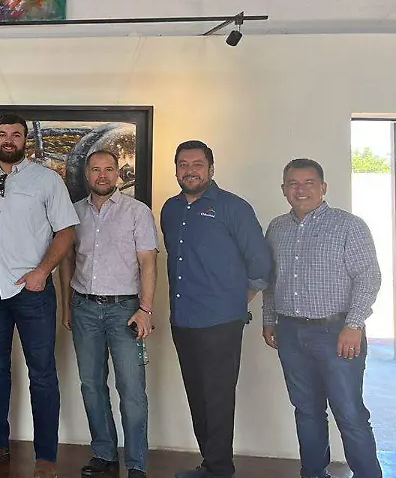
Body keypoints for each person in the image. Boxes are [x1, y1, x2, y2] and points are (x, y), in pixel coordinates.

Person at [0, 114, 78, 478]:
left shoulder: (47, 180)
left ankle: (45, 455)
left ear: (25, 140)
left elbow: (66, 232)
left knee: (42, 373)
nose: (8, 140)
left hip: (32, 292)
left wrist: (42, 272)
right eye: (2, 134)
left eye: (16, 134)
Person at [262, 158, 382, 478]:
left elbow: (368, 278)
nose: (300, 190)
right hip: (290, 333)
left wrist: (354, 325)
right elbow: (272, 280)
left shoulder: (349, 226)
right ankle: (314, 473)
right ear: (284, 189)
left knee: (349, 413)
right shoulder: (277, 228)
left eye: (309, 183)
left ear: (323, 187)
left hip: (337, 333)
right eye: (293, 184)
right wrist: (269, 319)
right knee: (306, 410)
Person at [161, 140, 272, 478]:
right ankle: (210, 465)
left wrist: (237, 299)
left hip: (221, 322)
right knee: (197, 396)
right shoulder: (170, 209)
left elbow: (261, 263)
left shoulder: (233, 207)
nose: (190, 170)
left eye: (197, 164)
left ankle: (220, 469)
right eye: (183, 164)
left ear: (211, 168)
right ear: (176, 169)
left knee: (218, 398)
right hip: (183, 320)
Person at [59, 151, 158, 478]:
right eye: (96, 169)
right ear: (87, 174)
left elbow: (148, 262)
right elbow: (67, 261)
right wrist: (67, 305)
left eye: (109, 169)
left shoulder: (137, 211)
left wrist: (145, 309)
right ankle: (103, 452)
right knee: (91, 384)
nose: (102, 175)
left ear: (118, 173)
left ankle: (136, 462)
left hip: (126, 311)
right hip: (84, 308)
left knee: (132, 389)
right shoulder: (74, 213)